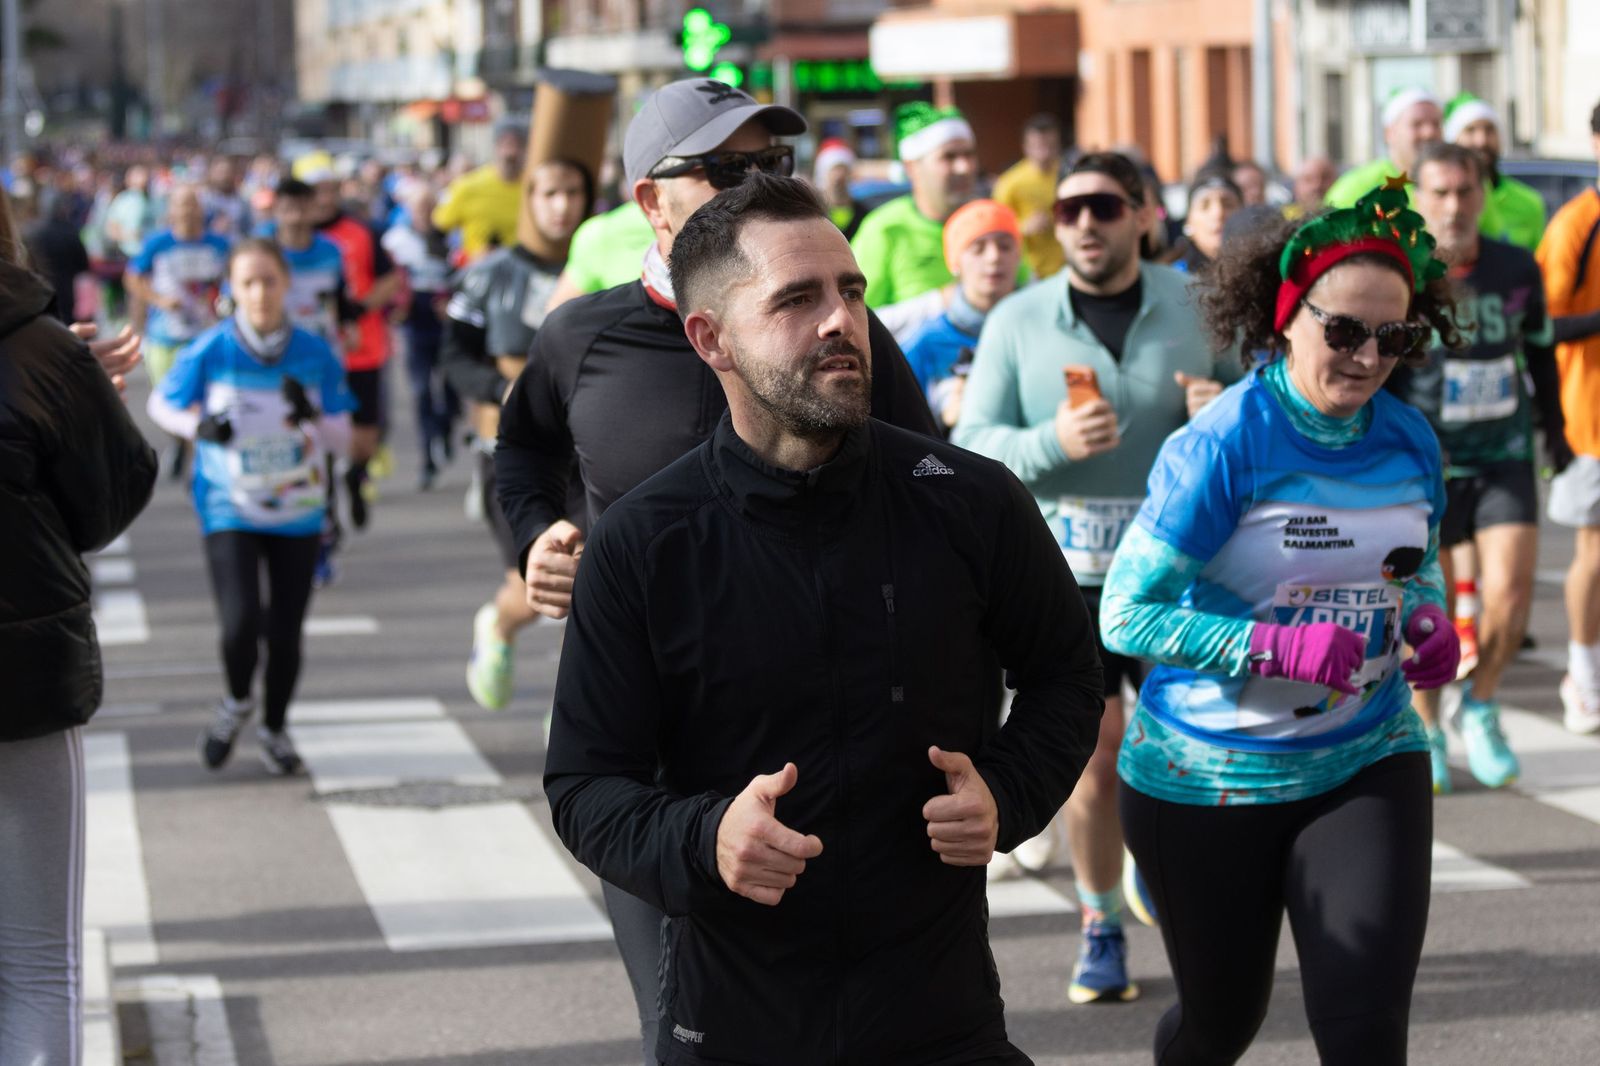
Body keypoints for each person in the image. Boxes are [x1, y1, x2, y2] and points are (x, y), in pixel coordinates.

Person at [544, 171, 1105, 1066]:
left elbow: (1067, 678)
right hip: (735, 1023)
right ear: (710, 338)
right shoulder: (646, 543)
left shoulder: (969, 502)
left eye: (851, 291)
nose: (842, 321)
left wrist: (1007, 792)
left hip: (939, 1015)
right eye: (797, 300)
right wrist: (707, 836)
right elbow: (584, 787)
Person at [494, 76, 937, 1064]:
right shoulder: (581, 337)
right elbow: (520, 452)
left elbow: (931, 486)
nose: (755, 187)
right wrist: (535, 538)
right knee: (689, 1034)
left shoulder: (842, 332)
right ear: (651, 200)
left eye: (770, 164)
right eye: (724, 169)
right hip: (652, 752)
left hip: (830, 743)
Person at [1101, 179, 1462, 1064]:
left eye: (1395, 336)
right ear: (1287, 318)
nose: (1369, 357)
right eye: (1343, 330)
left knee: (1366, 1033)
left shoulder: (1409, 440)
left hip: (1366, 757)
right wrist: (1272, 645)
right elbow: (1125, 614)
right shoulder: (1225, 443)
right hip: (1207, 777)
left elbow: (1416, 568)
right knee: (1223, 1024)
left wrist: (1427, 621)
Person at [953, 151, 1236, 1006]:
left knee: (1187, 750)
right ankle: (1101, 925)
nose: (1082, 222)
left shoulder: (1198, 306)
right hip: (1064, 576)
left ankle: (1164, 869)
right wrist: (1050, 445)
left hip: (1175, 573)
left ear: (1143, 215)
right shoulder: (1018, 319)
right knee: (1096, 756)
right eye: (1069, 207)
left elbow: (1260, 410)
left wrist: (1219, 408)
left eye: (1104, 206)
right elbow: (971, 445)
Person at [0, 190, 157, 1066]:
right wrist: (76, 389)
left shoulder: (49, 352)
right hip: (21, 682)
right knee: (32, 965)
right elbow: (103, 506)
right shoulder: (43, 350)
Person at [147, 238, 357, 775]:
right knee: (240, 622)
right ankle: (238, 700)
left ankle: (275, 729)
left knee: (285, 633)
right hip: (229, 506)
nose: (260, 292)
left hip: (299, 507)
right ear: (231, 290)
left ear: (287, 284)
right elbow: (161, 404)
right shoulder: (213, 348)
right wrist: (200, 427)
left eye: (269, 280)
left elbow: (344, 438)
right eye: (247, 283)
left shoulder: (314, 352)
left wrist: (312, 415)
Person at [1390, 143, 1564, 790]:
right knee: (1428, 613)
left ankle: (1482, 704)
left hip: (1504, 456)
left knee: (1511, 594)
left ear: (1483, 194)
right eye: (1440, 193)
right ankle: (1428, 724)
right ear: (1420, 199)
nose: (1455, 205)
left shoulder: (1517, 266)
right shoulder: (1402, 273)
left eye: (1465, 191)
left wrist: (1558, 432)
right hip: (1426, 466)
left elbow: (1540, 353)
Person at [443, 156, 591, 713]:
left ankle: (578, 725)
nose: (562, 207)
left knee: (592, 589)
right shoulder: (490, 274)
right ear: (528, 199)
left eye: (573, 193)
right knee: (538, 591)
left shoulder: (604, 267)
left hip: (590, 455)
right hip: (512, 456)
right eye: (550, 193)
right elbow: (452, 355)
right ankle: (499, 626)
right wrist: (498, 388)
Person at [1536, 98, 1600, 735]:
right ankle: (1582, 678)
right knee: (1595, 552)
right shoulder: (1578, 223)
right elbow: (1544, 324)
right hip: (1591, 417)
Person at [262, 179, 360, 586]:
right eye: (288, 207)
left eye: (303, 206)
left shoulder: (330, 252)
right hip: (273, 370)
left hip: (322, 368)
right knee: (281, 455)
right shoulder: (263, 252)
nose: (296, 215)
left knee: (322, 458)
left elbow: (340, 299)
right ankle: (276, 535)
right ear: (277, 210)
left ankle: (322, 540)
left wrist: (347, 326)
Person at [310, 170, 402, 531]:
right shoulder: (291, 240)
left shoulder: (363, 231)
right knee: (320, 436)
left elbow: (391, 280)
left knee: (365, 438)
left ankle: (356, 476)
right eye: (316, 190)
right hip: (314, 356)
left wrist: (360, 309)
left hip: (362, 349)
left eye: (329, 189)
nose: (323, 197)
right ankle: (328, 503)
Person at [903, 199, 1022, 430]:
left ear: (1019, 256)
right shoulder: (927, 342)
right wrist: (944, 417)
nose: (994, 258)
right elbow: (901, 424)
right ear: (955, 262)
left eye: (1005, 246)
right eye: (978, 248)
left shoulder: (1043, 325)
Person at [853, 102, 979, 310]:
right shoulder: (884, 229)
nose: (964, 167)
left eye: (969, 154)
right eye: (949, 156)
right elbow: (857, 317)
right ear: (912, 167)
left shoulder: (989, 219)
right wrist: (939, 303)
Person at [382, 180, 457, 489]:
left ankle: (446, 428)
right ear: (409, 210)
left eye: (430, 206)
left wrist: (453, 298)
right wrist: (395, 307)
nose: (425, 213)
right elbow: (387, 283)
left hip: (446, 322)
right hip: (414, 324)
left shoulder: (450, 239)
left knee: (451, 389)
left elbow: (465, 275)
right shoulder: (395, 240)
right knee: (421, 391)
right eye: (419, 207)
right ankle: (427, 458)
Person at [124, 184, 230, 388]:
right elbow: (132, 278)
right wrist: (159, 300)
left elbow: (231, 280)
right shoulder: (157, 243)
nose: (188, 210)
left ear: (201, 209)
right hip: (165, 339)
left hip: (207, 337)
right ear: (171, 210)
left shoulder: (220, 244)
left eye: (193, 204)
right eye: (182, 205)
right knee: (169, 406)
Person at [1443, 93, 1546, 253]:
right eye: (1470, 130)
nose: (1482, 140)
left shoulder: (1529, 203)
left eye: (1489, 130)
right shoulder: (1440, 201)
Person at [432, 116, 529, 262]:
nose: (510, 152)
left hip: (523, 271)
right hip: (478, 275)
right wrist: (463, 257)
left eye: (517, 145)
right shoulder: (467, 186)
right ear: (495, 146)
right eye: (505, 144)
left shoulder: (535, 187)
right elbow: (437, 231)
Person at [1325, 88, 1442, 207]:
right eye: (1417, 124)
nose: (1429, 133)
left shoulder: (1454, 183)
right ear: (1389, 133)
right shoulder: (1356, 188)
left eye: (1436, 124)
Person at [994, 112, 1068, 281]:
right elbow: (996, 229)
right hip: (1030, 272)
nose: (1045, 152)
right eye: (1039, 146)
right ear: (1026, 146)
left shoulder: (1069, 174)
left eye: (1051, 145)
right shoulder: (1010, 182)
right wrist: (1024, 227)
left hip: (1066, 265)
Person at [1172, 168, 1243, 274]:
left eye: (1228, 204)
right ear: (1188, 222)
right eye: (1205, 206)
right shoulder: (1173, 278)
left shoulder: (1263, 274)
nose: (1218, 213)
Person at [813, 136, 866, 240]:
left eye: (843, 169)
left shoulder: (865, 215)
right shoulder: (813, 214)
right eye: (833, 170)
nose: (838, 176)